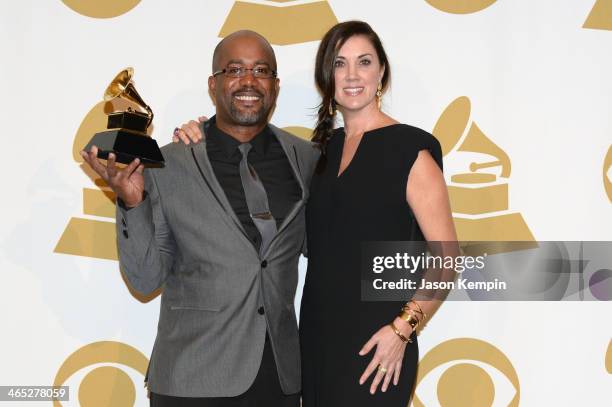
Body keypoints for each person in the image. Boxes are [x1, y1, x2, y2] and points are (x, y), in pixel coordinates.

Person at [174, 21, 457, 407]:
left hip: (378, 346)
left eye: (364, 62)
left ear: (382, 73)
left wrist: (402, 330)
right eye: (340, 64)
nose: (353, 75)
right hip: (315, 342)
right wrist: (201, 134)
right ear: (328, 77)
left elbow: (447, 257)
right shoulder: (320, 154)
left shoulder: (413, 150)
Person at [81, 30, 319, 407]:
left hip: (279, 381)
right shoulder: (168, 163)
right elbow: (144, 279)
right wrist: (132, 203)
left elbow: (328, 249)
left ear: (274, 85)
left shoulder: (306, 159)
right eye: (234, 69)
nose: (248, 81)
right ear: (214, 84)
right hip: (191, 380)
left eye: (261, 70)